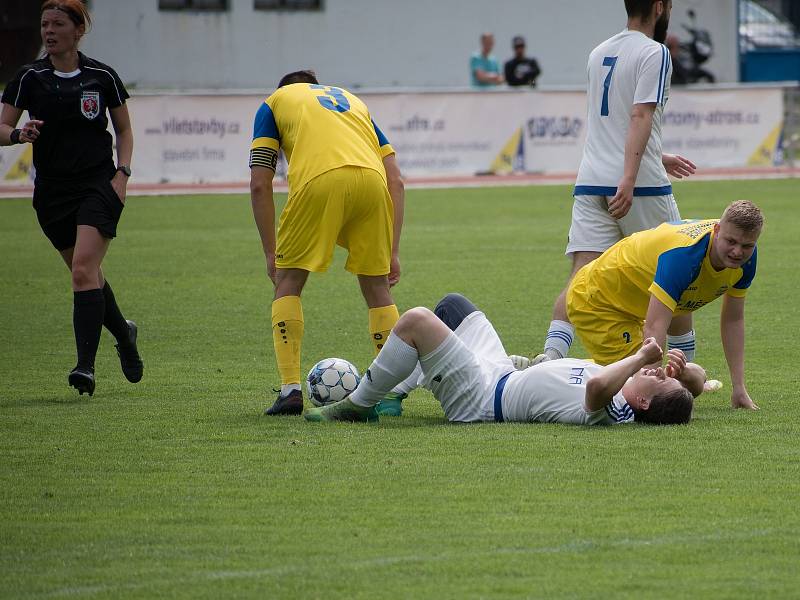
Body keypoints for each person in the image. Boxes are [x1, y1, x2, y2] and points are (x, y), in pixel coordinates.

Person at [532, 0, 697, 368]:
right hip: (639, 187)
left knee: (581, 277)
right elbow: (640, 113)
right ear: (659, 6)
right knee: (676, 271)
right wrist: (631, 175)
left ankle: (549, 357)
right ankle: (683, 369)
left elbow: (612, 121)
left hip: (591, 182)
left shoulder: (599, 52)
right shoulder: (655, 51)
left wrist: (656, 155)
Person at [0, 0, 142, 397]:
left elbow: (125, 130)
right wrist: (17, 135)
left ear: (78, 30)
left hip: (98, 186)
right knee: (88, 275)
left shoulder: (102, 76)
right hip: (52, 194)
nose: (48, 31)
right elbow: (3, 125)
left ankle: (85, 367)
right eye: (44, 23)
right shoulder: (29, 77)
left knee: (82, 270)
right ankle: (124, 333)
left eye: (58, 24)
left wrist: (123, 173)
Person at [249, 69, 405, 416]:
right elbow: (396, 179)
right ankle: (390, 394)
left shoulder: (274, 104)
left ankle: (290, 389)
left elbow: (260, 183)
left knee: (288, 281)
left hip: (319, 181)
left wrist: (270, 252)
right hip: (373, 184)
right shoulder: (353, 102)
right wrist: (392, 251)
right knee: (378, 288)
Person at [304, 293, 698, 425]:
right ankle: (392, 396)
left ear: (644, 401)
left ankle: (358, 405)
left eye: (660, 379)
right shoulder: (626, 385)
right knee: (453, 307)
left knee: (417, 321)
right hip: (500, 373)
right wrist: (684, 375)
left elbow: (594, 387)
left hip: (481, 399)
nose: (657, 371)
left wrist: (640, 355)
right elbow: (695, 382)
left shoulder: (615, 410)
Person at [564, 200, 763, 410]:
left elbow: (733, 319)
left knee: (683, 385)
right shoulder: (684, 257)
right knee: (628, 393)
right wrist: (652, 393)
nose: (737, 252)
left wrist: (739, 388)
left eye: (747, 246)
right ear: (717, 230)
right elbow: (655, 327)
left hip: (634, 303)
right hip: (598, 300)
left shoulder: (745, 260)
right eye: (731, 241)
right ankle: (545, 372)